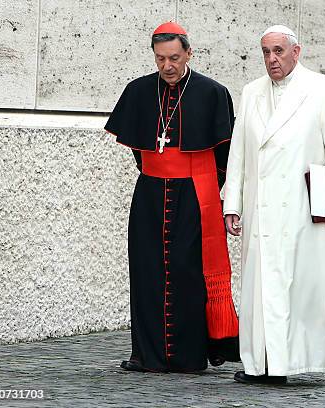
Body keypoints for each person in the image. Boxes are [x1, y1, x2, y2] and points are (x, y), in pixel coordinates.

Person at [223, 25, 325, 384]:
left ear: (297, 52)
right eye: (266, 52)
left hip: (306, 208)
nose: (272, 59)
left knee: (315, 288)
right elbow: (239, 152)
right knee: (263, 288)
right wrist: (232, 202)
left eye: (279, 51)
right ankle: (266, 365)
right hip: (262, 210)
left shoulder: (324, 89)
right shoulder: (251, 92)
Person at [105, 21, 239, 373]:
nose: (167, 66)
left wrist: (199, 181)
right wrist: (160, 172)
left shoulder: (212, 92)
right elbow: (139, 150)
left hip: (195, 196)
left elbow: (225, 154)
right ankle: (147, 356)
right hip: (150, 195)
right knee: (147, 270)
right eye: (161, 58)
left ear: (188, 54)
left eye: (175, 58)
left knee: (188, 271)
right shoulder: (138, 91)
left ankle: (190, 356)